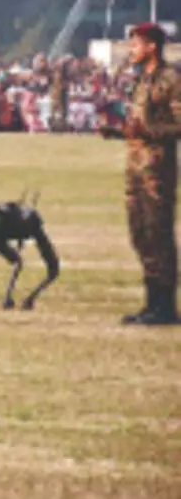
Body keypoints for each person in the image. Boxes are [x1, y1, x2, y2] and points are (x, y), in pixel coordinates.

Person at [102, 23, 181, 325]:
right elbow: (137, 125)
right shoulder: (142, 80)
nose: (131, 50)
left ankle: (164, 307)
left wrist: (146, 130)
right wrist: (117, 131)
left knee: (158, 234)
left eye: (135, 44)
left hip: (157, 171)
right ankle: (151, 304)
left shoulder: (171, 79)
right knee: (140, 235)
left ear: (151, 46)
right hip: (135, 169)